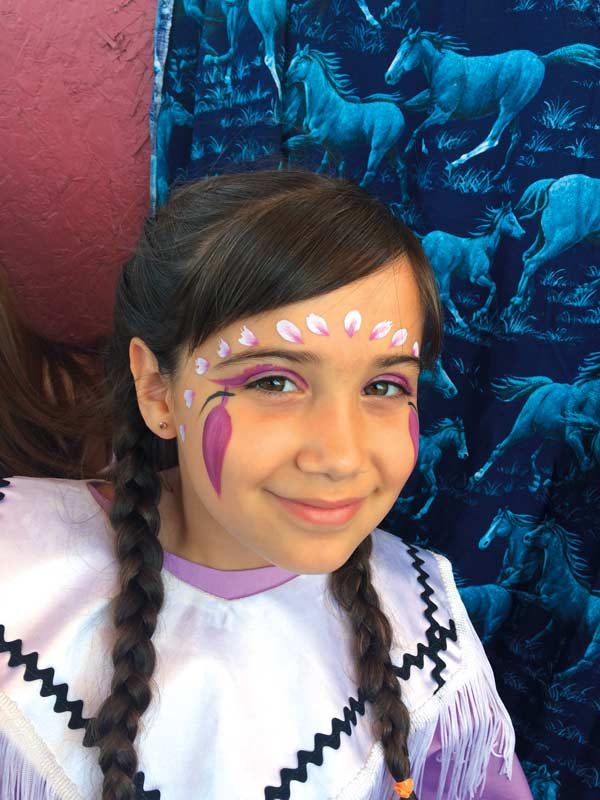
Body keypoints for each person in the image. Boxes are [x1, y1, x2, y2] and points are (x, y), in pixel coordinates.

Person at [0, 168, 533, 800]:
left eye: (384, 386)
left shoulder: (424, 630)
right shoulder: (17, 568)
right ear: (157, 389)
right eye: (273, 383)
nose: (340, 456)